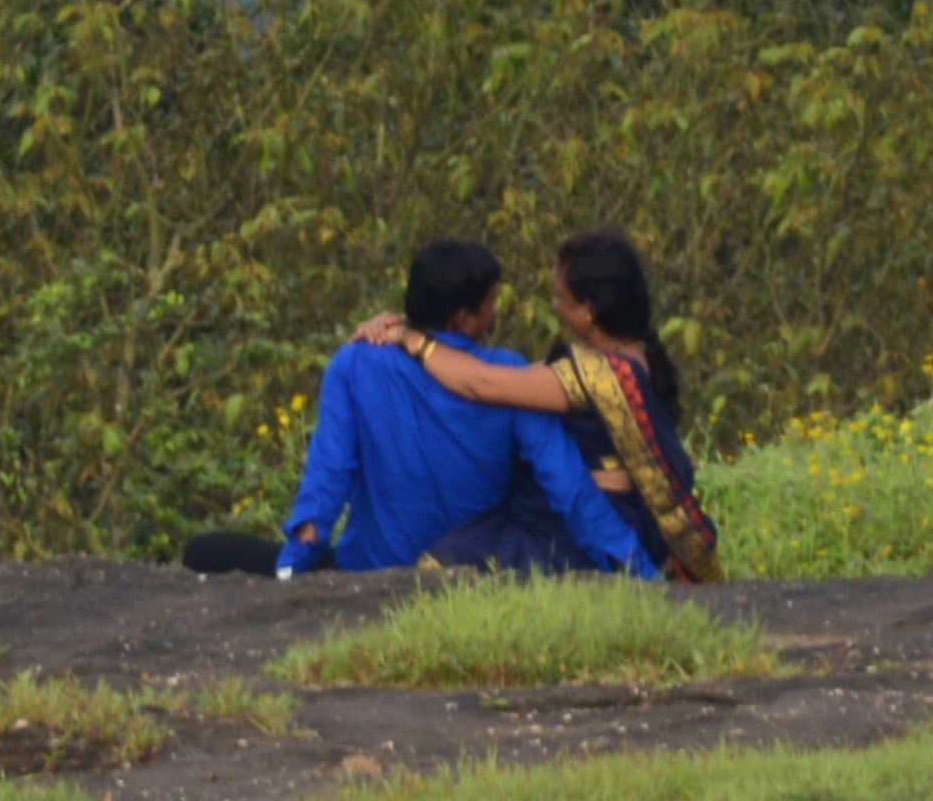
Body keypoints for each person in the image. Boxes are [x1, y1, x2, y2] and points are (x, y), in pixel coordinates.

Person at [272, 238, 657, 578]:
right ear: (464, 318)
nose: (496, 312)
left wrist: (291, 566)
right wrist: (635, 564)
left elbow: (327, 478)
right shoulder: (508, 375)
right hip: (471, 572)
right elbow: (568, 484)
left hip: (371, 568)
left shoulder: (353, 363)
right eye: (491, 302)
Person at [363, 225, 723, 585]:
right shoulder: (628, 357)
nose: (553, 304)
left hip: (592, 526)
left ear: (588, 312)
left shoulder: (602, 375)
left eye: (559, 296)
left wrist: (413, 338)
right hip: (581, 515)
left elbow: (481, 383)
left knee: (444, 567)